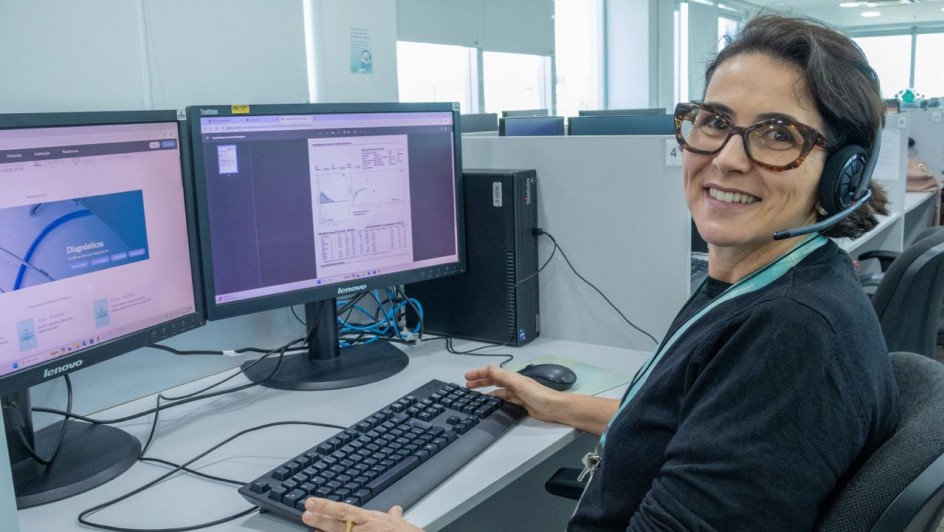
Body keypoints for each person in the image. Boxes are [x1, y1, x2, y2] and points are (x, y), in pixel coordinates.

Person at [301, 12, 898, 532]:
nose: (727, 159)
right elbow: (704, 429)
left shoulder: (791, 334)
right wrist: (563, 406)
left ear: (842, 173)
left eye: (777, 135)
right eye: (714, 121)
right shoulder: (771, 283)